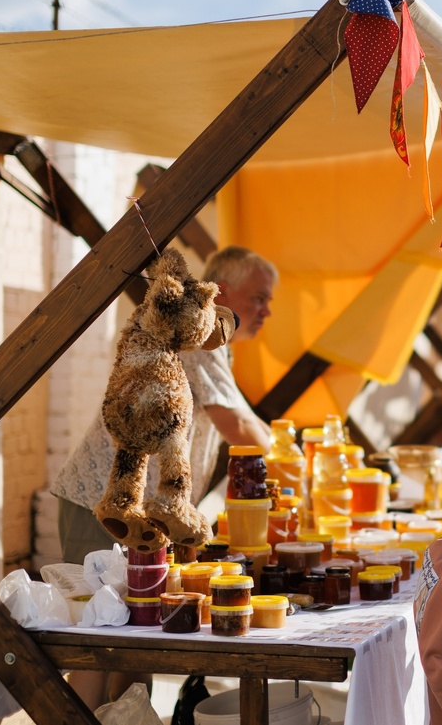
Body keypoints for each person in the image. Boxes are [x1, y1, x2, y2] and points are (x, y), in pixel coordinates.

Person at [49, 245, 277, 707]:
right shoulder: (195, 330)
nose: (267, 311)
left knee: (136, 637)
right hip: (101, 502)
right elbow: (240, 427)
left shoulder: (212, 345)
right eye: (259, 298)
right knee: (98, 642)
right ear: (223, 292)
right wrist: (288, 448)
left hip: (141, 513)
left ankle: (128, 719)